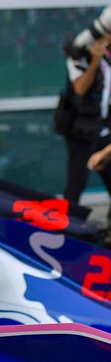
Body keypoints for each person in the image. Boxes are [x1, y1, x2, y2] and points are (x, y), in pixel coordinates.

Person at [60, 30, 111, 222]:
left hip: (102, 128)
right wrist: (95, 61)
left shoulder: (108, 59)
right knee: (77, 180)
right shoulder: (79, 59)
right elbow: (80, 88)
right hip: (81, 131)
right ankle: (66, 225)